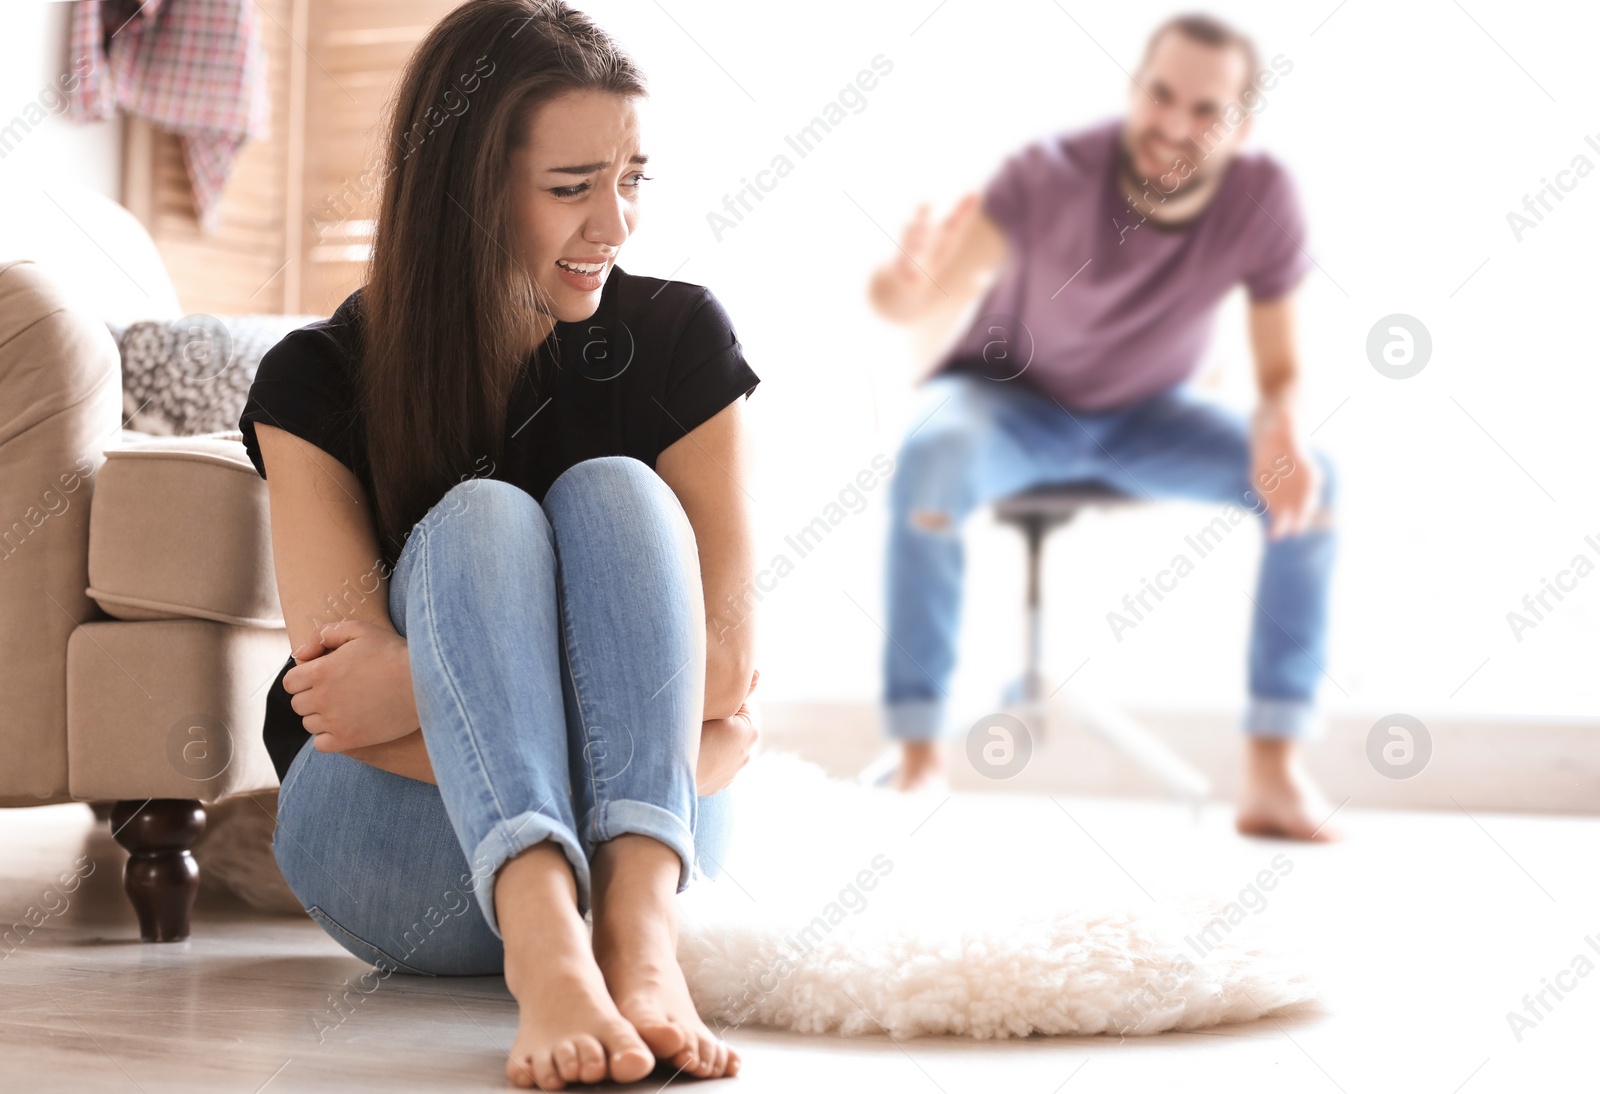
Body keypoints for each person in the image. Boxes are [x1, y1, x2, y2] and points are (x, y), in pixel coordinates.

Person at [238, 1, 759, 1087]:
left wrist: (432, 680)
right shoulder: (316, 379)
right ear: (465, 195)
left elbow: (721, 668)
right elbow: (339, 703)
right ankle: (542, 935)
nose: (613, 227)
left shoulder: (680, 341)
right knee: (484, 519)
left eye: (630, 180)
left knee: (616, 490)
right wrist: (634, 721)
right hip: (396, 837)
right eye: (572, 188)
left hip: (641, 861)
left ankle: (631, 942)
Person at [868, 13, 1341, 841]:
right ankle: (918, 755)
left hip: (1149, 416)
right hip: (1014, 405)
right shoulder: (1047, 174)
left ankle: (1272, 768)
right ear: (1135, 91)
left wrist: (1283, 429)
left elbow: (1280, 366)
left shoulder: (1264, 198)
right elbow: (922, 299)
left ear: (1242, 127)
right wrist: (905, 280)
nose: (1174, 125)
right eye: (1160, 95)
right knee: (933, 457)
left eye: (1206, 111)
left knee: (1312, 486)